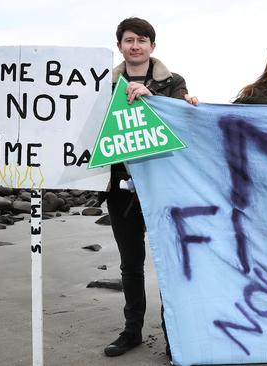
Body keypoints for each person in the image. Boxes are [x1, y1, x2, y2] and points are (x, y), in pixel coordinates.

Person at [103, 17, 197, 359]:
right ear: (120, 46)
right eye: (129, 40)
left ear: (152, 46)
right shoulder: (103, 83)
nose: (135, 46)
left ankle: (172, 334)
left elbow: (182, 122)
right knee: (130, 265)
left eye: (142, 40)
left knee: (169, 263)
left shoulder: (173, 81)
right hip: (121, 188)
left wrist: (152, 96)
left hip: (163, 189)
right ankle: (132, 332)